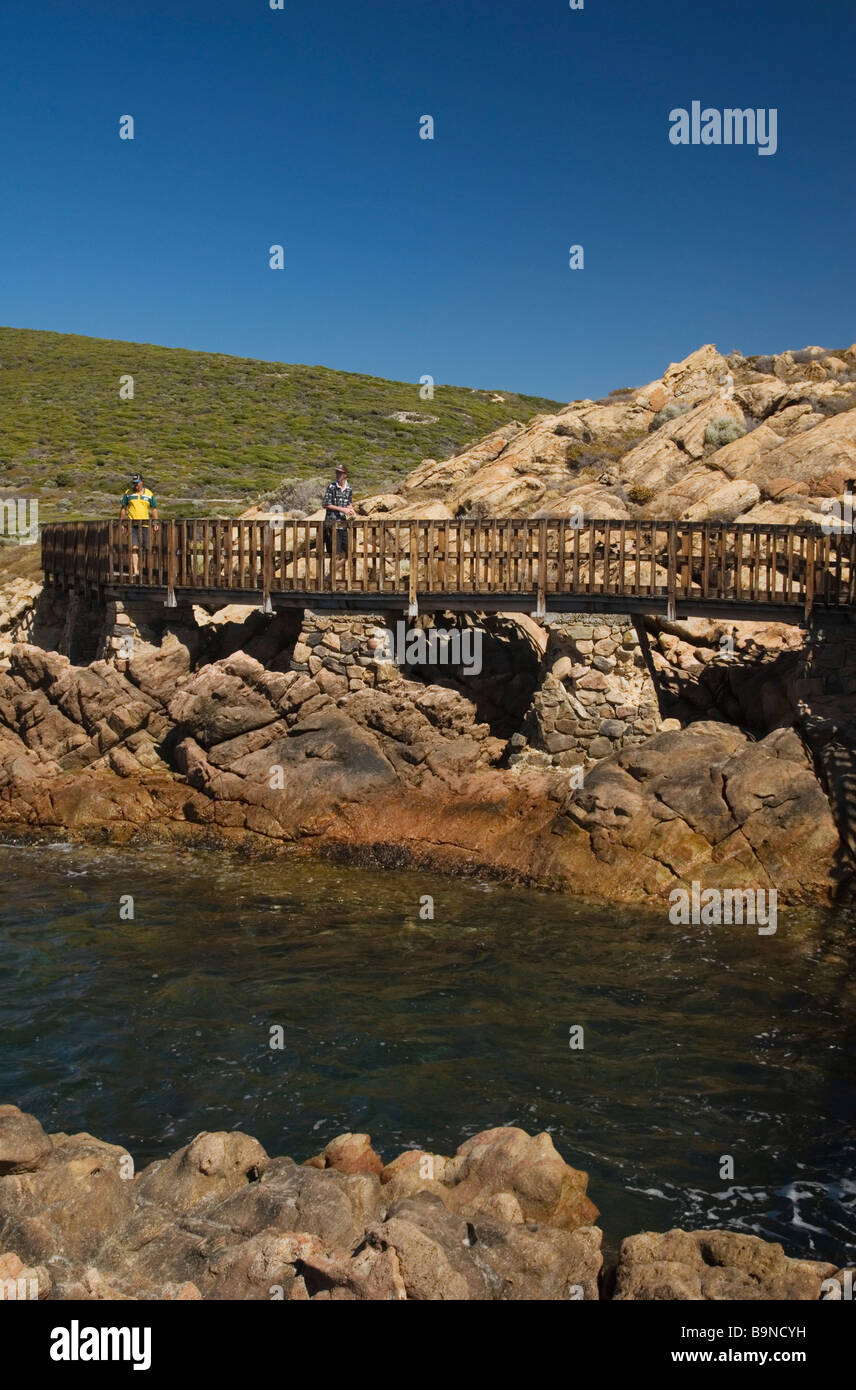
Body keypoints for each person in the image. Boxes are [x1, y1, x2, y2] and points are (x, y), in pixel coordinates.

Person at [119, 474, 159, 576]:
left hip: (145, 524)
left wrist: (155, 522)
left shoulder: (149, 494)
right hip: (132, 524)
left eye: (137, 483)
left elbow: (154, 509)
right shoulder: (128, 493)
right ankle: (136, 570)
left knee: (147, 547)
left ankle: (146, 568)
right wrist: (122, 522)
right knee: (134, 547)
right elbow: (123, 508)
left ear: (141, 482)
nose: (136, 485)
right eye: (134, 483)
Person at [322, 464, 355, 556]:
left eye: (340, 473)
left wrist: (351, 510)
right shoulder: (331, 487)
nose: (338, 475)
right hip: (331, 524)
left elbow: (348, 503)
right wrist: (342, 510)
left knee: (346, 554)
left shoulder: (349, 489)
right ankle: (332, 571)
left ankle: (332, 571)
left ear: (345, 474)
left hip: (343, 525)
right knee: (335, 554)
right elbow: (325, 504)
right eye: (337, 472)